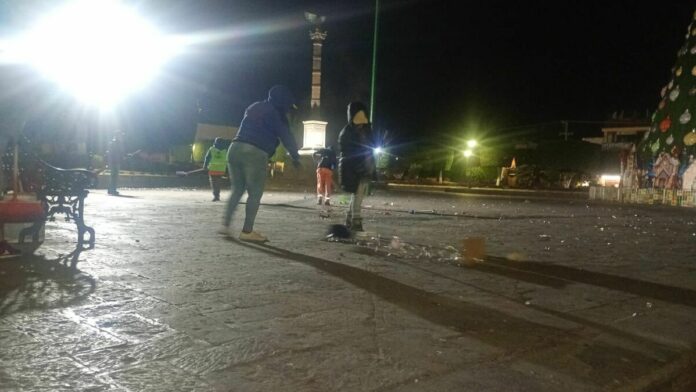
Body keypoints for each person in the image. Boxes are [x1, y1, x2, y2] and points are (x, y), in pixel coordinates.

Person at [220, 85, 301, 242]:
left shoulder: (255, 106)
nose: (289, 110)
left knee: (237, 190)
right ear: (283, 102)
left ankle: (225, 225)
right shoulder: (277, 114)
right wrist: (295, 157)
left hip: (235, 148)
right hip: (255, 152)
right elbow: (286, 136)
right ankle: (247, 231)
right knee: (255, 193)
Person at [338, 101, 376, 233]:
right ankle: (355, 221)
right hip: (355, 168)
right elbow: (348, 153)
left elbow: (371, 148)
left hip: (365, 167)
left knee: (358, 194)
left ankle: (350, 219)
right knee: (358, 194)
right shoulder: (348, 132)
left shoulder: (365, 130)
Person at [203, 137, 229, 201]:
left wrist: (205, 166)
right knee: (218, 182)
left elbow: (207, 158)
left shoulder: (211, 149)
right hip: (221, 169)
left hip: (213, 169)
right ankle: (217, 195)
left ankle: (216, 196)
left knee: (214, 183)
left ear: (215, 142)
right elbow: (228, 160)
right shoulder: (226, 150)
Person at [106, 131, 125, 195]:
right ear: (117, 135)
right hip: (115, 161)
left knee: (113, 176)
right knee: (114, 176)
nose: (121, 137)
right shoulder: (115, 143)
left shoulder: (116, 143)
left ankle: (111, 189)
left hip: (116, 161)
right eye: (120, 135)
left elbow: (120, 153)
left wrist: (123, 156)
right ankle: (112, 190)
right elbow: (114, 152)